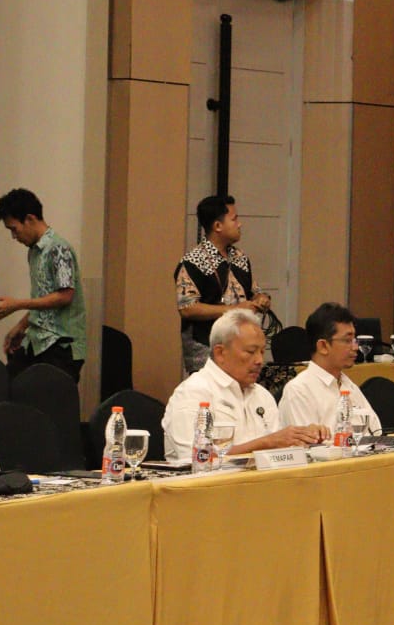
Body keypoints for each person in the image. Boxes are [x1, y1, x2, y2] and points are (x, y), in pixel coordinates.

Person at [161, 308, 326, 461]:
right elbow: (197, 459)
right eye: (250, 352)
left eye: (262, 352)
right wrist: (267, 443)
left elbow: (278, 452)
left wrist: (305, 439)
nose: (260, 361)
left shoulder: (262, 395)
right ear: (220, 353)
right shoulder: (193, 392)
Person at [0, 188, 88, 382]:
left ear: (30, 219)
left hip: (60, 345)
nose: (14, 237)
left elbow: (65, 296)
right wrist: (21, 325)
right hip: (38, 339)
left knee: (46, 403)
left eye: (14, 229)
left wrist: (16, 304)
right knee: (8, 385)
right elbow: (43, 297)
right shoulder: (34, 252)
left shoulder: (58, 249)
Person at [175, 194, 272, 376]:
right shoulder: (193, 261)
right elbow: (187, 308)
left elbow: (255, 291)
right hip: (206, 353)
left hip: (242, 350)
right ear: (218, 226)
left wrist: (262, 299)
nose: (239, 224)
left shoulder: (240, 257)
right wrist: (234, 309)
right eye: (234, 219)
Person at [279, 302, 381, 433]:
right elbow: (307, 447)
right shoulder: (299, 391)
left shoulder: (349, 385)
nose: (355, 347)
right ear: (323, 346)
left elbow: (376, 431)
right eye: (347, 340)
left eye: (354, 340)